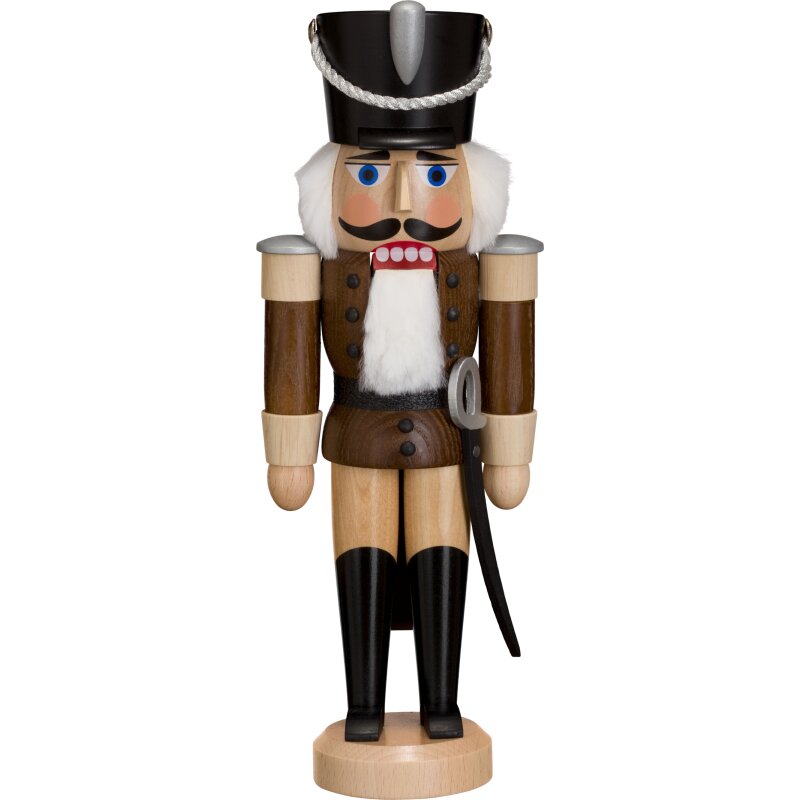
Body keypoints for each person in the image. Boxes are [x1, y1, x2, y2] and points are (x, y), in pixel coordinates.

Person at [258, 3, 540, 743]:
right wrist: (289, 452)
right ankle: (365, 707)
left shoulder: (487, 268)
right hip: (357, 436)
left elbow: (510, 349)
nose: (404, 206)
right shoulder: (309, 267)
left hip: (447, 439)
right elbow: (290, 351)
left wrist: (509, 452)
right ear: (329, 187)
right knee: (363, 556)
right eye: (370, 171)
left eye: (437, 173)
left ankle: (442, 702)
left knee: (444, 554)